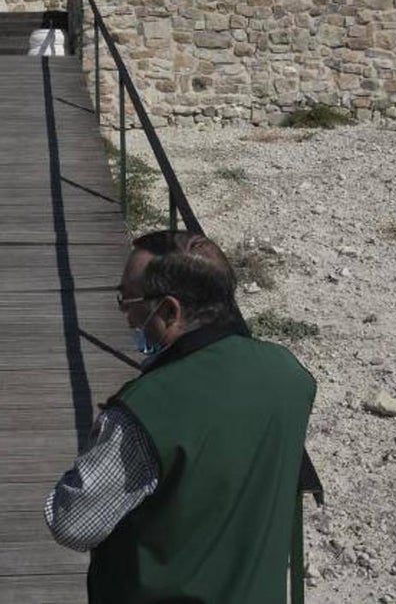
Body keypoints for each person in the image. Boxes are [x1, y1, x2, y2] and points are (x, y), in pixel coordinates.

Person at [44, 230, 318, 603]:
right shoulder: (289, 377)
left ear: (170, 311)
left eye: (128, 299)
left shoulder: (144, 411)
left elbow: (72, 523)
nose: (125, 312)